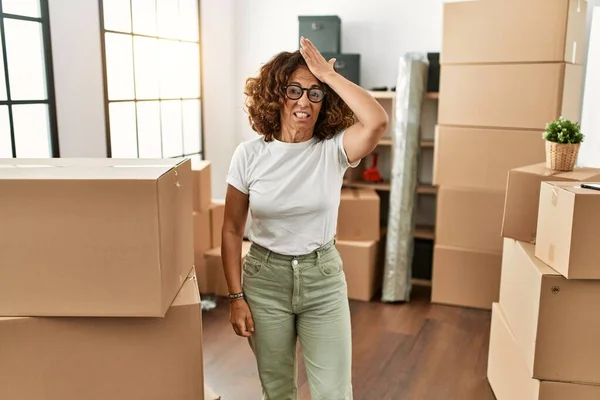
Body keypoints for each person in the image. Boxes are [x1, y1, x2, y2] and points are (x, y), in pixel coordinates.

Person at [221, 36, 388, 400]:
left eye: (314, 93)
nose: (304, 101)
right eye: (294, 90)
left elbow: (376, 121)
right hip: (265, 281)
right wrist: (236, 297)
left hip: (322, 280)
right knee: (278, 390)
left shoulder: (334, 150)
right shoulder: (248, 156)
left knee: (334, 393)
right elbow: (232, 230)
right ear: (276, 95)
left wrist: (328, 76)